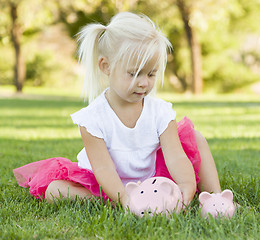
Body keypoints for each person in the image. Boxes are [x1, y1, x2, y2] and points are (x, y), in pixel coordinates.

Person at [13, 12, 223, 209]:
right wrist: (125, 199)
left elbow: (176, 157)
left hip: (151, 177)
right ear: (106, 67)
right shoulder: (93, 119)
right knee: (55, 190)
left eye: (151, 74)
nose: (143, 83)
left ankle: (214, 197)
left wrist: (186, 187)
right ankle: (118, 202)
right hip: (105, 183)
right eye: (134, 74)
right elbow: (103, 169)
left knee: (195, 138)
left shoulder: (160, 112)